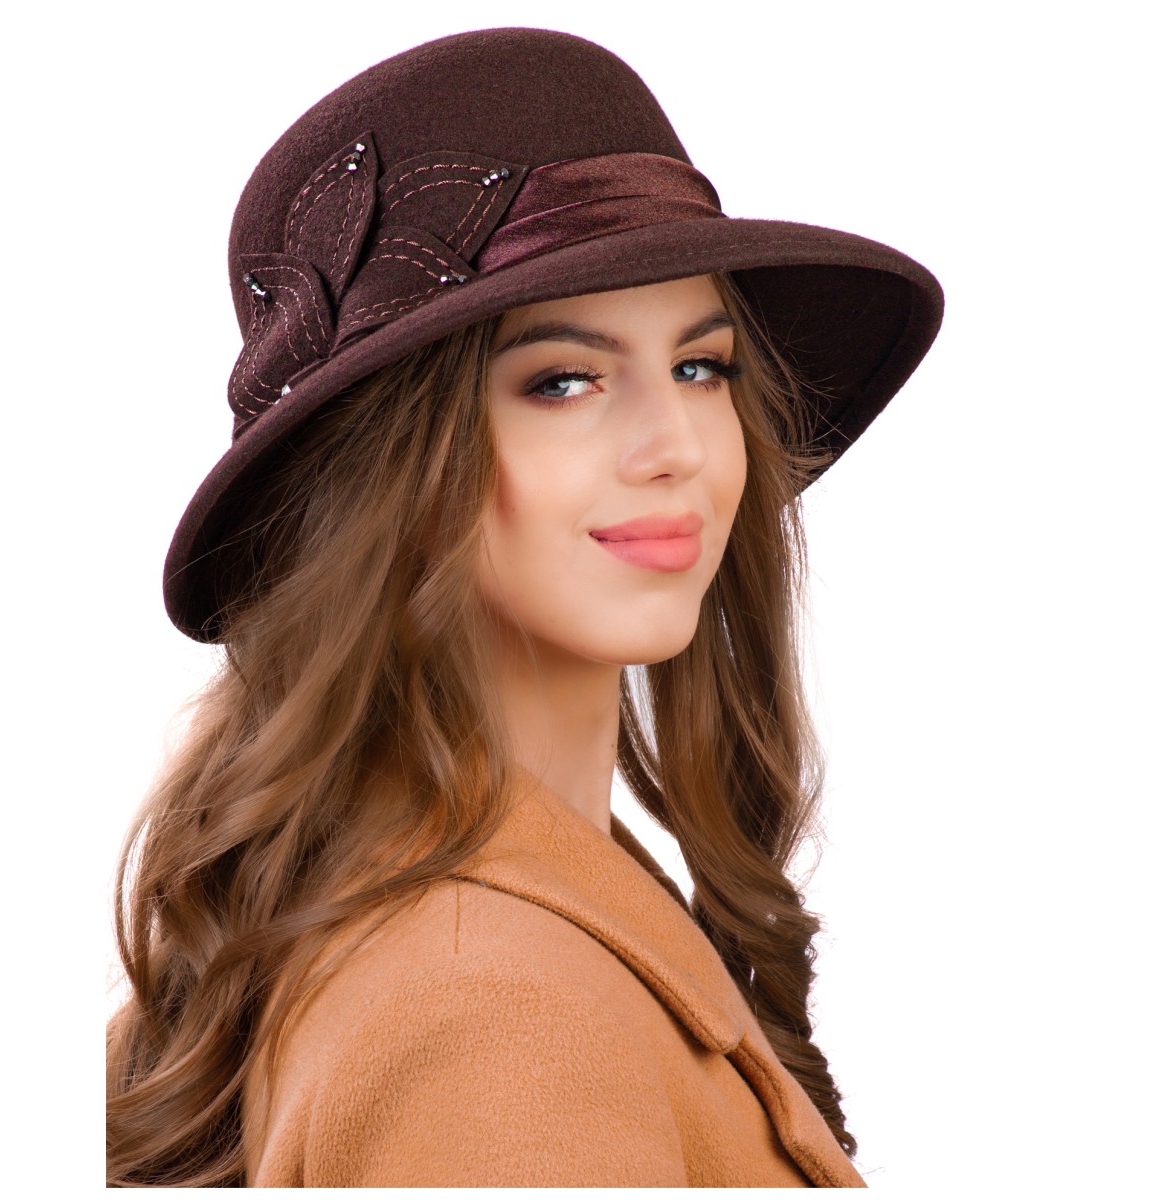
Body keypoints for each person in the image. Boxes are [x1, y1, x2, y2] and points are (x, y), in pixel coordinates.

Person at [106, 27, 942, 1187]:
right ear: (392, 471)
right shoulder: (489, 1014)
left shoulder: (521, 907)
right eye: (563, 380)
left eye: (701, 366)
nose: (674, 445)